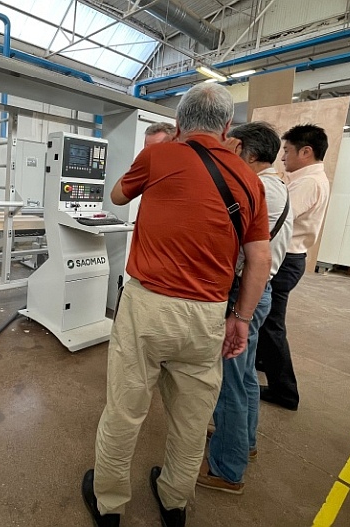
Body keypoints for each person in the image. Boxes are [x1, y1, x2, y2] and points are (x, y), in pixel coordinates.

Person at [81, 83, 272, 527]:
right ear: (228, 128)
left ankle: (109, 505)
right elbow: (259, 257)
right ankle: (174, 503)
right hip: (208, 313)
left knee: (126, 408)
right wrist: (241, 320)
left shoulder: (159, 155)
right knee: (192, 417)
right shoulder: (250, 180)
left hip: (148, 307)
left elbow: (116, 197)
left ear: (181, 123)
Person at [197, 122, 293, 494]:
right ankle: (244, 444)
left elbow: (238, 248)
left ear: (244, 152)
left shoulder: (256, 188)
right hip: (261, 290)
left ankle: (226, 468)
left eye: (230, 149)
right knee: (247, 377)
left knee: (230, 384)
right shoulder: (278, 186)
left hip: (244, 293)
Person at [256, 124, 330, 411]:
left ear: (306, 151)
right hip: (291, 257)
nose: (283, 157)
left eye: (286, 151)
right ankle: (263, 362)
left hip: (286, 259)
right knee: (267, 321)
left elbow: (277, 216)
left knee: (272, 323)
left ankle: (284, 391)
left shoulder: (308, 183)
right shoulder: (303, 178)